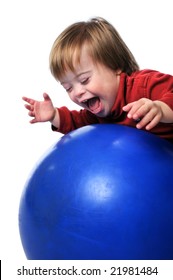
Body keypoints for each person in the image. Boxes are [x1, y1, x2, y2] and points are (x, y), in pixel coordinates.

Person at [22, 17, 173, 142]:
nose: (78, 92)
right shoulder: (96, 115)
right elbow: (78, 124)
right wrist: (54, 116)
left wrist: (160, 108)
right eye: (68, 88)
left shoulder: (143, 86)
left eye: (84, 80)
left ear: (115, 65)